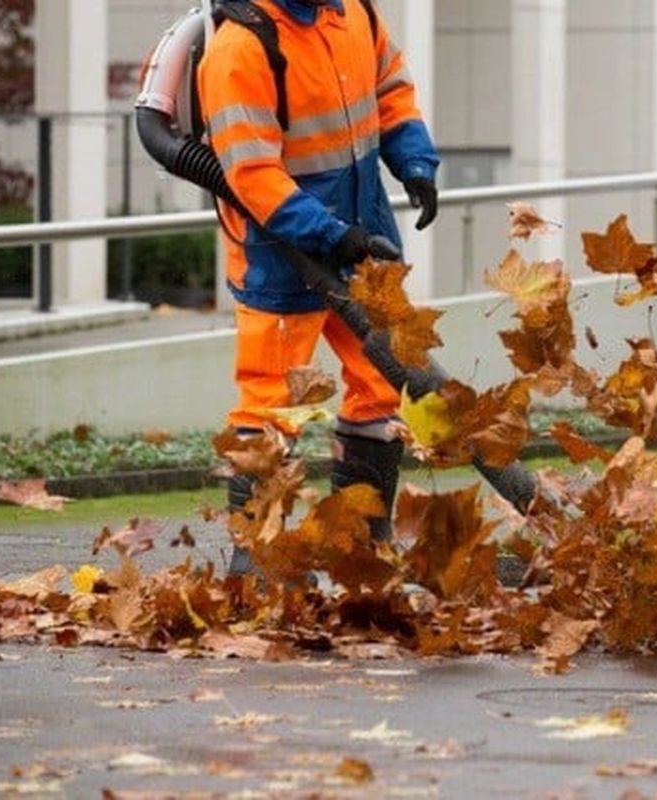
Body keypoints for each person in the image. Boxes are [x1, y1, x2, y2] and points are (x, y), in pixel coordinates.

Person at [197, 0, 439, 574]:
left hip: (363, 239)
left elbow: (392, 92)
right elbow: (251, 174)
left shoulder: (355, 13)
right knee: (269, 408)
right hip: (283, 253)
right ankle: (258, 559)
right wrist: (329, 235)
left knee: (383, 388)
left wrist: (416, 163)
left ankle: (363, 542)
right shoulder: (241, 47)